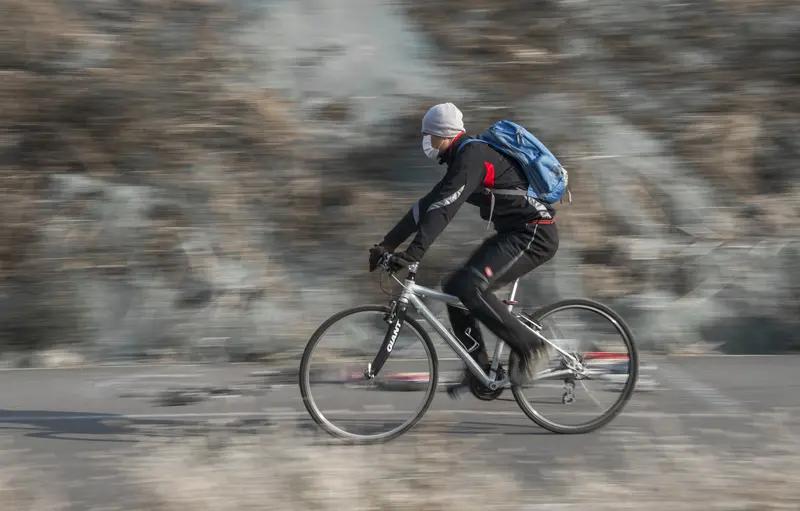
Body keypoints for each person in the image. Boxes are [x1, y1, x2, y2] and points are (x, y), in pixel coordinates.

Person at [368, 103, 559, 395]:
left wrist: (414, 253)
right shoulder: (462, 159)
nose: (427, 143)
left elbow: (445, 209)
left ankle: (533, 347)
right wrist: (387, 244)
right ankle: (479, 369)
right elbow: (426, 206)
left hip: (535, 233)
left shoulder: (472, 156)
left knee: (470, 287)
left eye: (430, 136)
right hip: (513, 233)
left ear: (446, 135)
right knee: (455, 286)